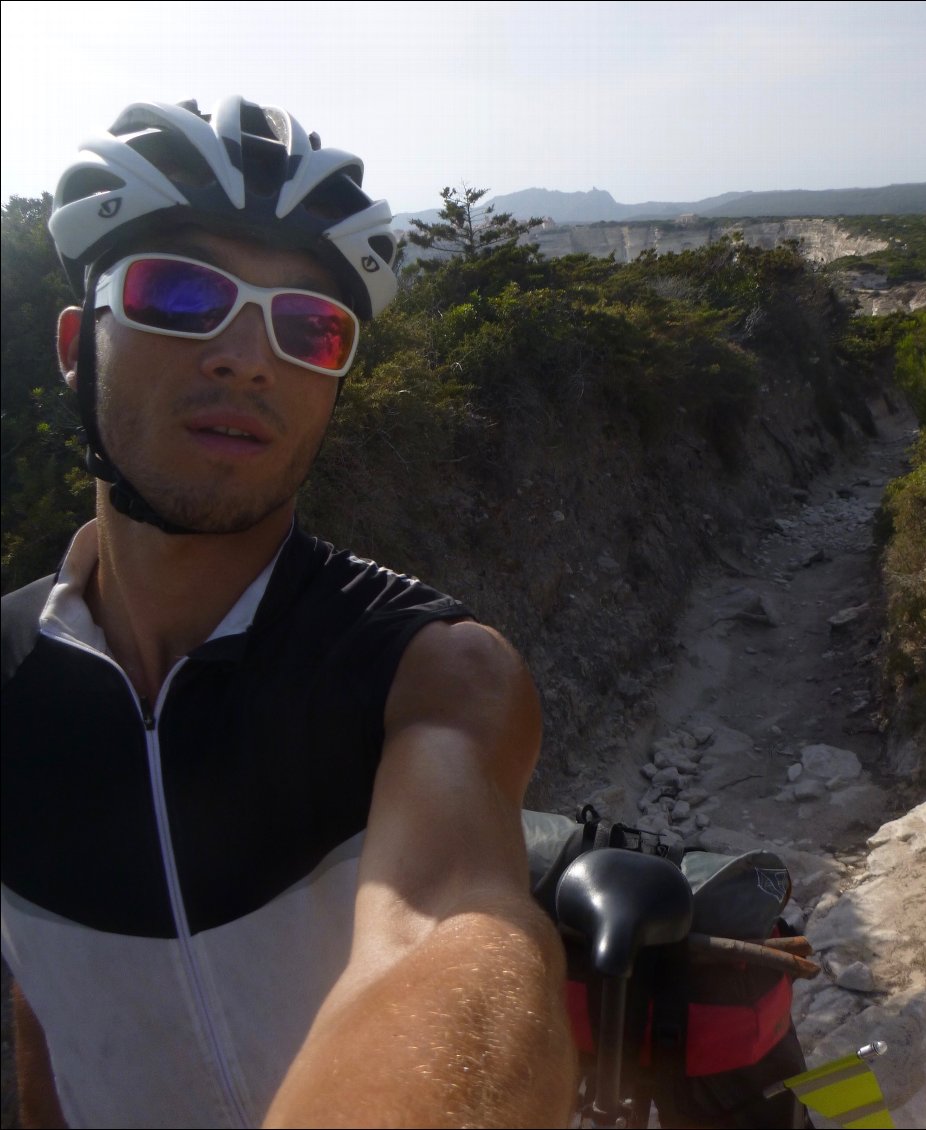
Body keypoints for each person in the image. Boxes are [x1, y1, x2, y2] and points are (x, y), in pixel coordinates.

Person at [1, 96, 576, 1129]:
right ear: (75, 343)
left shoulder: (432, 669)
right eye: (181, 292)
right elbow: (41, 1001)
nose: (245, 357)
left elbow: (453, 937)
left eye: (309, 326)